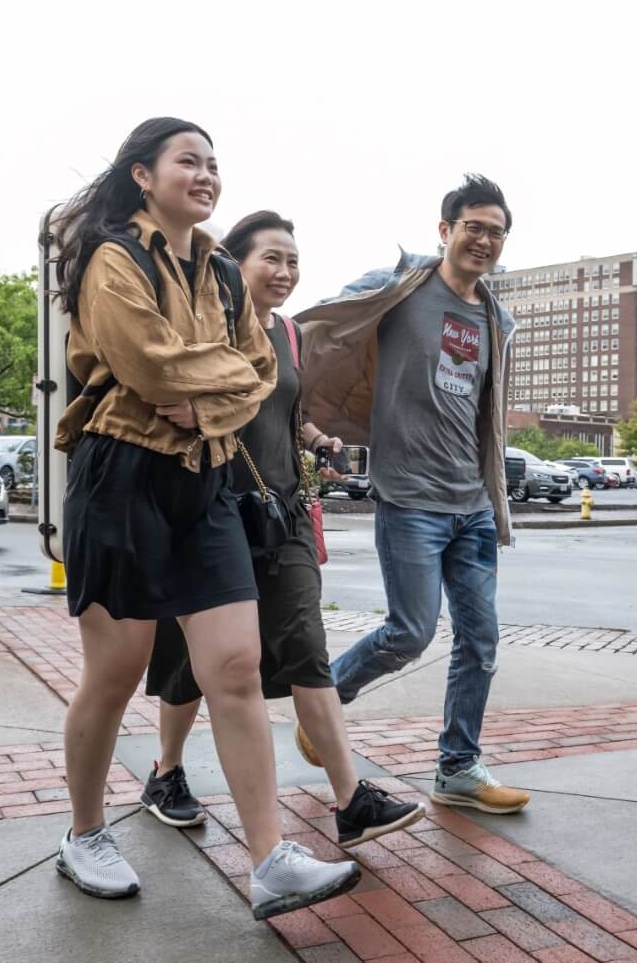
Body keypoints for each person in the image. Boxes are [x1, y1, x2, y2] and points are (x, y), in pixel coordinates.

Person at [48, 118, 359, 918]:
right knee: (116, 676)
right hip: (121, 477)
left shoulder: (222, 274)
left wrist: (201, 398)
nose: (207, 173)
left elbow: (260, 370)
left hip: (208, 478)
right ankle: (84, 833)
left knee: (236, 669)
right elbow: (147, 365)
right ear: (144, 176)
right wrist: (186, 387)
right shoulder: (114, 258)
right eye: (189, 160)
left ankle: (270, 860)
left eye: (214, 163)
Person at [140, 210, 427, 846]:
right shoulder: (205, 329)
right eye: (271, 257)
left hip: (283, 513)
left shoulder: (291, 334)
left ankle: (351, 799)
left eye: (293, 261)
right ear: (232, 264)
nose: (286, 271)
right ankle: (167, 770)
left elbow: (287, 411)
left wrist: (319, 438)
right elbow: (170, 403)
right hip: (212, 514)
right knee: (196, 658)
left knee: (306, 646)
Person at [295, 174, 530, 815]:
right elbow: (311, 332)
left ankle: (457, 768)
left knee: (480, 641)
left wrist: (493, 493)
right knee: (409, 632)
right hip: (410, 498)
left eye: (496, 232)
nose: (484, 240)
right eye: (473, 227)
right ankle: (325, 704)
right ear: (446, 230)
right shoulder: (398, 287)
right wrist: (301, 421)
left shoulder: (494, 317)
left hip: (472, 504)